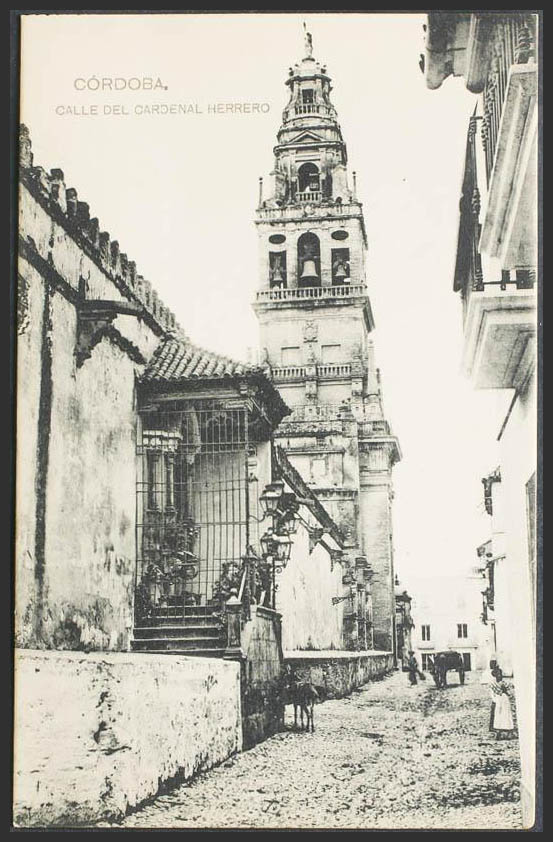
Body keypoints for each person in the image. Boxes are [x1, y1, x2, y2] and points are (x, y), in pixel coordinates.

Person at [490, 667, 515, 739]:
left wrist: (506, 691)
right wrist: (495, 700)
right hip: (498, 700)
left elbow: (510, 691)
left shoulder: (505, 683)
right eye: (498, 674)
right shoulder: (493, 684)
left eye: (500, 674)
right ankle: (498, 731)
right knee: (498, 715)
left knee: (506, 714)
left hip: (505, 699)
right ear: (495, 675)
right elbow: (492, 693)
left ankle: (508, 730)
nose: (499, 676)